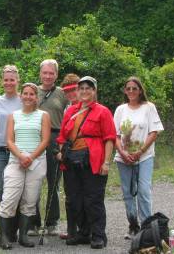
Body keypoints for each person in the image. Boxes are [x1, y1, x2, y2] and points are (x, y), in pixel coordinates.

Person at [56, 76, 116, 249]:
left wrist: (107, 162)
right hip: (71, 160)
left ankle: (98, 235)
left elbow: (109, 138)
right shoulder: (70, 111)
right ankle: (83, 233)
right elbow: (62, 136)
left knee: (93, 199)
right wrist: (61, 152)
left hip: (93, 160)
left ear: (94, 91)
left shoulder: (102, 111)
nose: (84, 91)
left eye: (88, 88)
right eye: (81, 88)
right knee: (75, 198)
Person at [0, 83, 51, 249]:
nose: (28, 97)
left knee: (30, 199)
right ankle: (4, 237)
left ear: (36, 97)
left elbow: (45, 140)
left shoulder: (43, 115)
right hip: (16, 161)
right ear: (21, 96)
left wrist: (31, 157)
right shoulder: (14, 115)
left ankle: (24, 236)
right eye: (25, 93)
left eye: (31, 94)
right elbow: (9, 140)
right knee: (10, 198)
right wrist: (21, 156)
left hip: (37, 161)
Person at [114, 76, 164, 239]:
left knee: (143, 190)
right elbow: (115, 135)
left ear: (140, 90)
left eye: (134, 88)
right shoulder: (121, 109)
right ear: (124, 91)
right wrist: (122, 152)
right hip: (124, 157)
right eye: (128, 88)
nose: (131, 91)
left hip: (144, 156)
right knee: (127, 192)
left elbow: (154, 132)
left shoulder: (149, 107)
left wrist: (140, 151)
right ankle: (133, 225)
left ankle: (147, 226)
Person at [29, 59, 68, 236]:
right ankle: (33, 222)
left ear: (56, 75)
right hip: (34, 137)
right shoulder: (32, 91)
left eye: (51, 73)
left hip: (55, 137)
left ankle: (52, 222)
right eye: (45, 72)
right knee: (33, 181)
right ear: (40, 73)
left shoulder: (62, 93)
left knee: (53, 182)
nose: (47, 76)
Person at [0, 65, 22, 243]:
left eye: (12, 80)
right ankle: (4, 231)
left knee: (16, 191)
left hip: (18, 151)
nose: (9, 83)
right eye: (6, 80)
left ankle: (15, 230)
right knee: (1, 190)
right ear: (2, 81)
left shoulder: (24, 100)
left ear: (18, 81)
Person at [59, 73, 81, 240]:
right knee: (70, 194)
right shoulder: (67, 108)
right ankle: (71, 229)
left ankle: (85, 228)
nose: (70, 95)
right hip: (69, 154)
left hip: (84, 155)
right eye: (67, 92)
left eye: (73, 90)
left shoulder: (88, 106)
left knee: (85, 193)